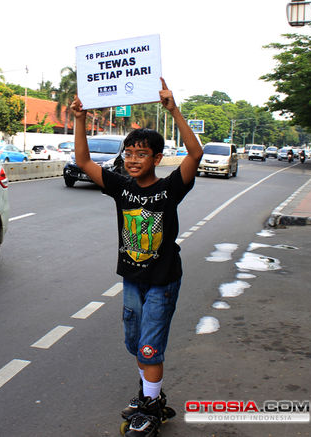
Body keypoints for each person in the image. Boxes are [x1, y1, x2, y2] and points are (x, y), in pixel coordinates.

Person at [70, 78, 203, 437]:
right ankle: (153, 397)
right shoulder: (121, 187)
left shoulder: (169, 189)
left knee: (148, 349)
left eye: (141, 154)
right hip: (133, 278)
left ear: (156, 159)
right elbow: (82, 160)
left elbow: (195, 154)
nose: (132, 160)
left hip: (163, 279)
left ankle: (149, 408)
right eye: (128, 153)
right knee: (135, 344)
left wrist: (173, 109)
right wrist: (80, 118)